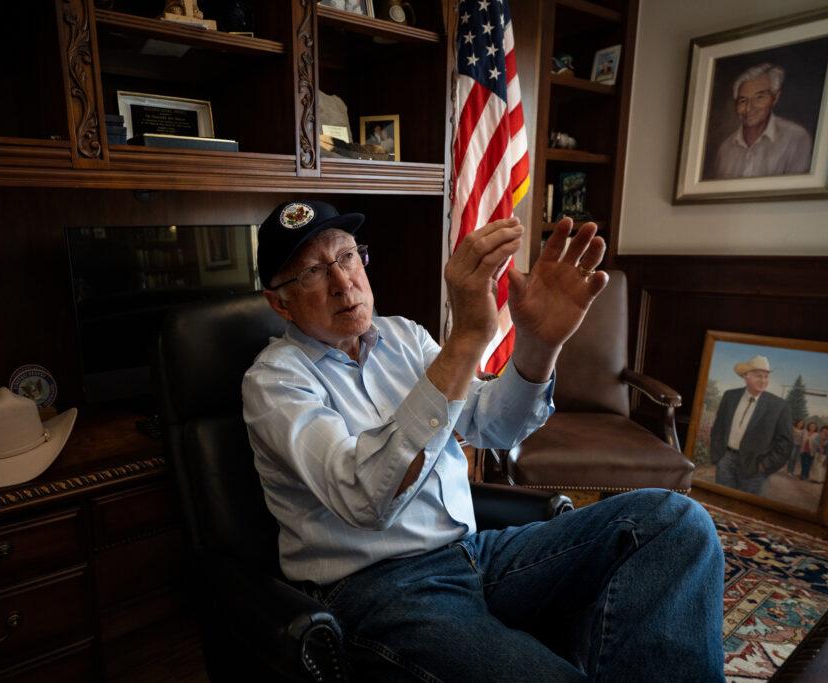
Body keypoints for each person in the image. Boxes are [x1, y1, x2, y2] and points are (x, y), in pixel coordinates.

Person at [242, 199, 724, 681]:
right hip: (379, 588)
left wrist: (540, 346)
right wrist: (467, 339)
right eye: (311, 273)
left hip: (476, 555)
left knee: (675, 522)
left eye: (346, 257)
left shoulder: (405, 337)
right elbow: (366, 497)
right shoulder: (275, 381)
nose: (343, 283)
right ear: (278, 302)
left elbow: (493, 426)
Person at [711, 63, 812, 179]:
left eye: (759, 98)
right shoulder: (724, 150)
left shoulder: (796, 138)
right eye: (743, 101)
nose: (749, 108)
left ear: (775, 98)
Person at [710, 355, 793, 495]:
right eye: (758, 376)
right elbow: (718, 428)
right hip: (726, 461)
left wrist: (764, 466)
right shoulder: (730, 396)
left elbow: (785, 443)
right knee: (721, 502)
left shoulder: (779, 406)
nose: (763, 380)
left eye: (766, 377)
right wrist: (719, 457)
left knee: (747, 511)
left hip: (755, 469)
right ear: (746, 376)